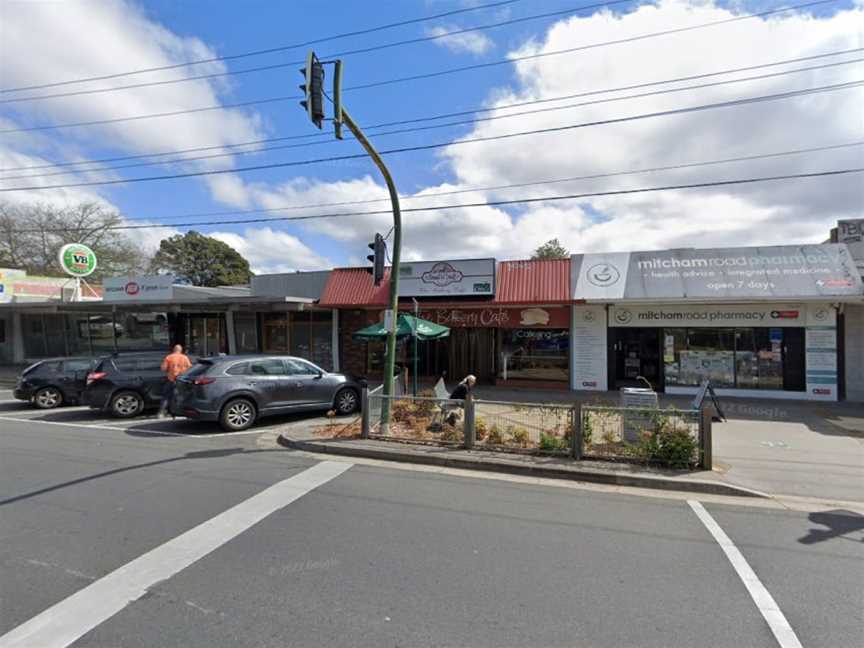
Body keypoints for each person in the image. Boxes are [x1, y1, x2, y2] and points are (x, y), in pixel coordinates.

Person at [158, 344, 192, 418]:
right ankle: (178, 413)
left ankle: (161, 413)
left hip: (171, 379)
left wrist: (169, 370)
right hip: (181, 380)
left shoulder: (169, 357)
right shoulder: (185, 358)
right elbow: (190, 368)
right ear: (181, 350)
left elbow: (163, 368)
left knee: (166, 396)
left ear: (174, 349)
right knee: (179, 397)